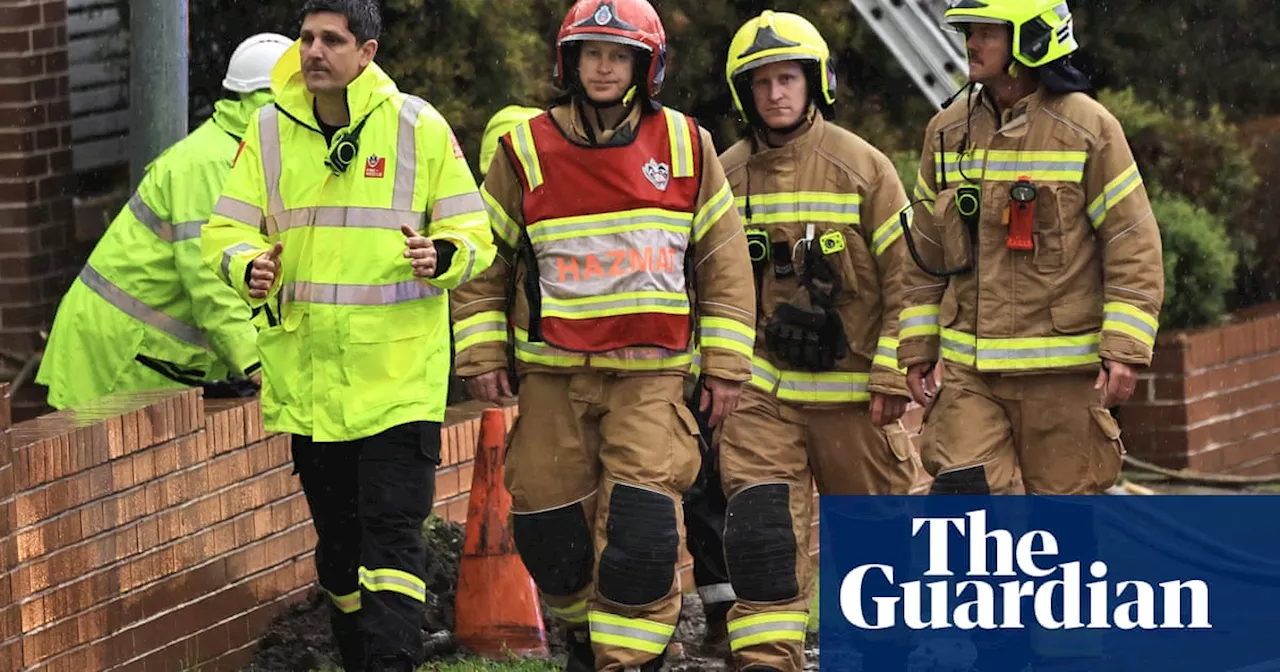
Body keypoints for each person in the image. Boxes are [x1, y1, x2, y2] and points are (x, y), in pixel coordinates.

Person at [448, 1, 756, 670]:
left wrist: (727, 365)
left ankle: (631, 660)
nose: (606, 66)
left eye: (620, 55)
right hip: (553, 377)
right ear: (570, 62)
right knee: (548, 533)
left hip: (652, 378)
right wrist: (481, 353)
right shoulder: (523, 150)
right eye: (593, 53)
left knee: (643, 538)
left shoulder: (685, 144)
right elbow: (484, 259)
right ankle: (584, 637)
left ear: (646, 67)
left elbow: (723, 262)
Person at [200, 1, 495, 670]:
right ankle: (360, 657)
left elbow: (475, 233)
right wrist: (248, 263)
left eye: (332, 40)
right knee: (339, 552)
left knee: (393, 545)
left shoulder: (417, 126)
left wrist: (442, 255)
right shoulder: (269, 131)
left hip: (398, 386)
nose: (313, 51)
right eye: (307, 37)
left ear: (366, 53)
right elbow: (223, 231)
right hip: (312, 390)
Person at [712, 10, 921, 672]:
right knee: (764, 546)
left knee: (879, 553)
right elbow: (709, 288)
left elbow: (909, 281)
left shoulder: (865, 168)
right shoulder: (722, 177)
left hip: (857, 400)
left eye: (789, 78)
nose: (777, 94)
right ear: (744, 94)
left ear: (815, 83)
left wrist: (892, 374)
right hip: (761, 399)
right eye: (763, 82)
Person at [897, 0, 1163, 498]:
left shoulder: (1089, 129)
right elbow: (924, 255)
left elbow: (1132, 244)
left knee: (1064, 530)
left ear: (1032, 40)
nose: (972, 43)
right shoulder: (947, 132)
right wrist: (916, 348)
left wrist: (1124, 351)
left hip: (1062, 375)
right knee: (962, 511)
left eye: (986, 32)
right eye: (968, 31)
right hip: (968, 373)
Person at [35, 33, 293, 410]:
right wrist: (258, 365)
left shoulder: (252, 156)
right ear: (271, 102)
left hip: (143, 352)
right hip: (113, 354)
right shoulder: (211, 164)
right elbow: (210, 278)